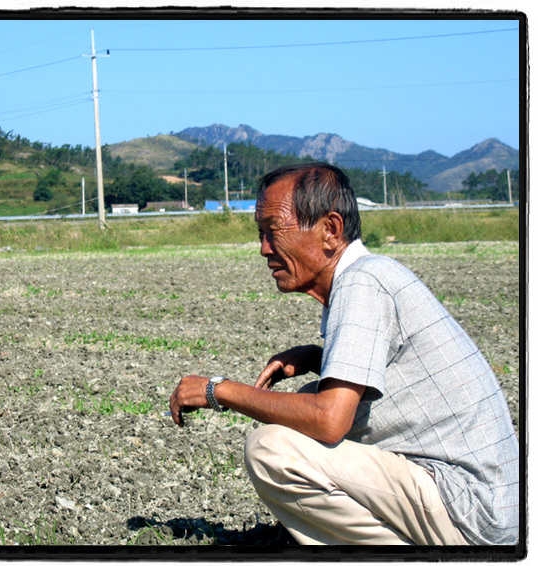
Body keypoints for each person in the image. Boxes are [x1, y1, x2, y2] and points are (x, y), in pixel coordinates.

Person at [168, 162, 519, 545]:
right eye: (261, 233)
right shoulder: (369, 276)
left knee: (271, 448)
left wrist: (219, 391)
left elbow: (330, 420)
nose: (264, 248)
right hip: (484, 506)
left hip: (469, 509)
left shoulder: (362, 282)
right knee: (299, 408)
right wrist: (318, 356)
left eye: (274, 231)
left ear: (330, 230)